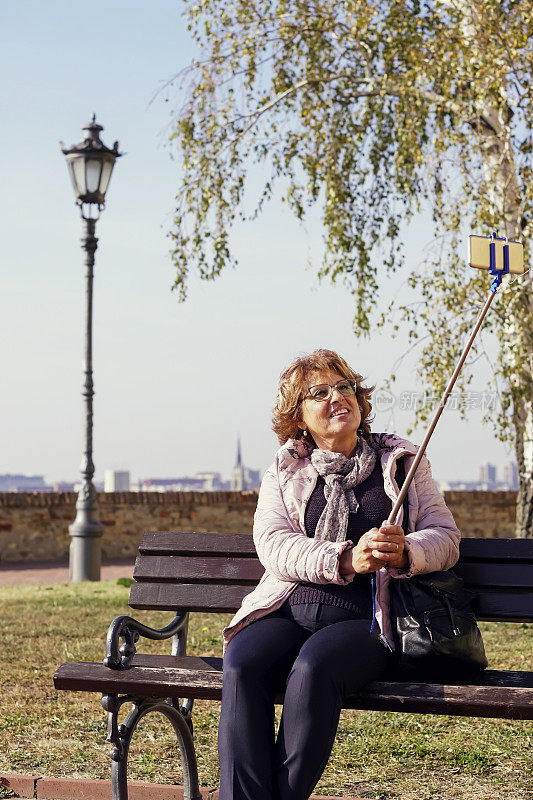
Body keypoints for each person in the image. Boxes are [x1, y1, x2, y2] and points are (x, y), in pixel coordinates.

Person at [218, 349, 460, 800]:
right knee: (243, 661)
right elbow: (272, 544)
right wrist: (346, 560)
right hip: (289, 607)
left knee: (314, 666)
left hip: (367, 618)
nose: (336, 397)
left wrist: (407, 550)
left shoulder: (402, 462)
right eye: (319, 392)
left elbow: (446, 537)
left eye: (344, 387)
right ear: (298, 418)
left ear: (360, 401)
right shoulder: (286, 468)